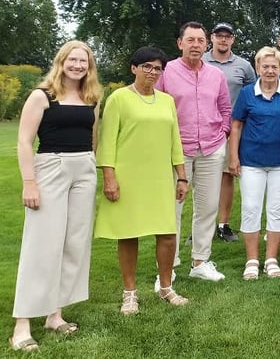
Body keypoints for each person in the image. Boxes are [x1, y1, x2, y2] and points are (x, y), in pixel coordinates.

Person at [10, 40, 102, 352]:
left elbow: (93, 138)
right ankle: (22, 323)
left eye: (84, 61)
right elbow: (24, 142)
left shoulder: (91, 97)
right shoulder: (42, 95)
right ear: (61, 61)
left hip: (84, 169)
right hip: (51, 167)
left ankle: (55, 314)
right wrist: (29, 183)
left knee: (73, 244)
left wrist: (91, 166)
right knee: (41, 244)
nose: (78, 66)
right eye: (73, 60)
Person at [95, 47, 190, 315]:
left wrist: (181, 175)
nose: (152, 72)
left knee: (168, 233)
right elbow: (108, 141)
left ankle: (166, 288)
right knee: (128, 233)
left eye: (158, 68)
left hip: (160, 176)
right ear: (133, 68)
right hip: (128, 176)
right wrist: (109, 177)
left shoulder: (166, 101)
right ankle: (130, 293)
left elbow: (175, 141)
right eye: (147, 66)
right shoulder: (118, 99)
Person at [155, 21, 231, 282]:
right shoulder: (166, 73)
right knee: (172, 207)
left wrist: (224, 132)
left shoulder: (215, 75)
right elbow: (157, 108)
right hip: (178, 150)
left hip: (211, 147)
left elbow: (225, 108)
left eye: (200, 40)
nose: (196, 45)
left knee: (208, 206)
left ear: (206, 44)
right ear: (180, 43)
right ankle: (169, 266)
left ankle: (200, 261)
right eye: (191, 40)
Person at [228, 47, 280, 280]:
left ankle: (271, 258)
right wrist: (233, 157)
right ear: (258, 67)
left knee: (277, 210)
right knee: (250, 209)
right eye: (265, 66)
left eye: (274, 67)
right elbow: (236, 126)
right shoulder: (247, 94)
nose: (270, 70)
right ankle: (252, 260)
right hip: (251, 162)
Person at [204, 22, 257, 243]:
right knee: (203, 178)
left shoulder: (243, 66)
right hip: (205, 127)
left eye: (227, 36)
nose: (223, 40)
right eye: (219, 36)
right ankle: (203, 226)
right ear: (212, 38)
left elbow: (252, 94)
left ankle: (223, 225)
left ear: (233, 39)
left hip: (234, 128)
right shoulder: (202, 61)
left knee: (227, 175)